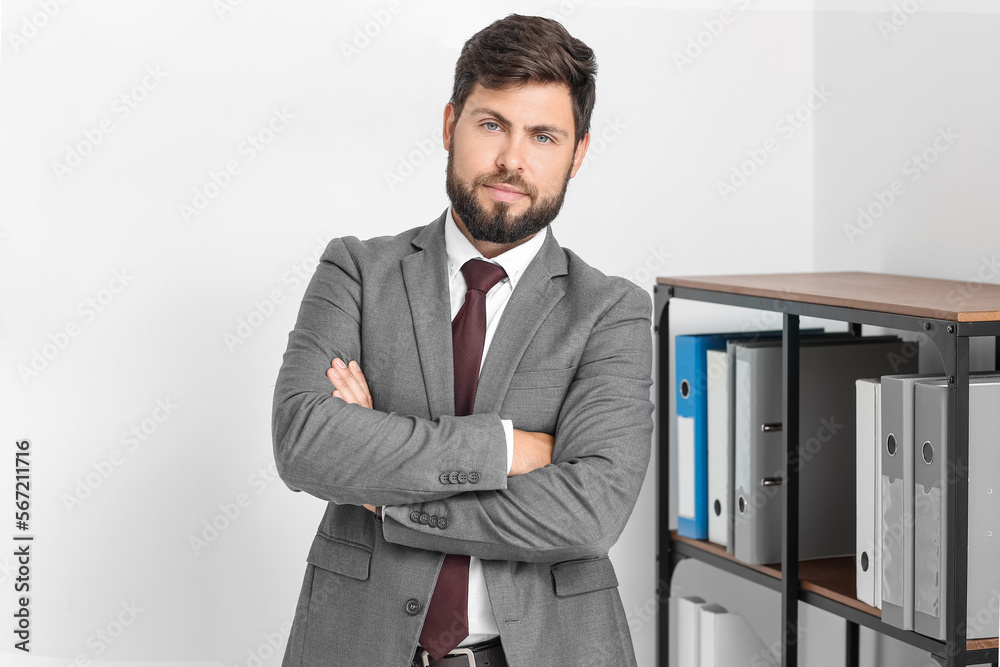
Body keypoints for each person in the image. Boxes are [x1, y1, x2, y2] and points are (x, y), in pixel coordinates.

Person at [272, 14, 653, 667]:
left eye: (544, 135)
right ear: (451, 125)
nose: (512, 158)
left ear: (578, 152)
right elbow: (306, 443)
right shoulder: (357, 271)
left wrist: (385, 493)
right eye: (492, 124)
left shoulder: (611, 310)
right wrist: (507, 448)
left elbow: (588, 514)